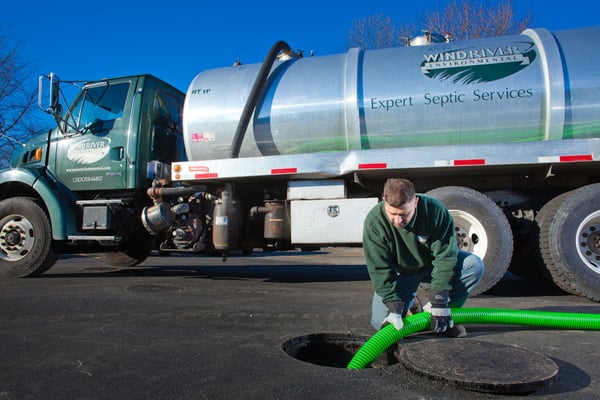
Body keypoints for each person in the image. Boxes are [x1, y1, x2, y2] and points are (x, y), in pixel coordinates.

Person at [362, 178, 484, 337]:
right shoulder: (374, 222)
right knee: (382, 326)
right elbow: (379, 268)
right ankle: (412, 304)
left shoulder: (435, 211)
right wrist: (393, 305)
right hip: (402, 272)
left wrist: (439, 300)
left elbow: (445, 257)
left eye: (404, 214)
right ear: (384, 201)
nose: (398, 221)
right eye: (392, 214)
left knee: (473, 265)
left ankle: (447, 316)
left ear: (415, 203)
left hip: (430, 265)